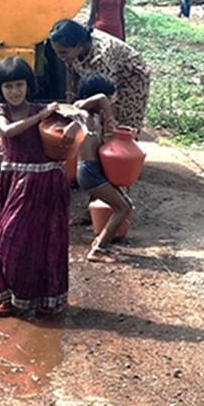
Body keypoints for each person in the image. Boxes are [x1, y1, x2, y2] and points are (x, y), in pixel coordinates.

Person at [0, 56, 70, 317]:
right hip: (16, 183)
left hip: (47, 181)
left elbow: (78, 121)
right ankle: (8, 293)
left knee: (47, 241)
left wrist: (74, 118)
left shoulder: (43, 110)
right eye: (8, 86)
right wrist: (41, 116)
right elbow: (8, 131)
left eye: (19, 85)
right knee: (6, 239)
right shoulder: (0, 111)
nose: (15, 92)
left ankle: (47, 299)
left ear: (29, 85)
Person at [61, 73, 133, 263]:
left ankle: (100, 243)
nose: (110, 101)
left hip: (92, 170)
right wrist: (110, 118)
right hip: (88, 171)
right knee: (124, 208)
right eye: (110, 97)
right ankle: (98, 249)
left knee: (124, 202)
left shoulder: (92, 118)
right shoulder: (80, 111)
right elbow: (101, 99)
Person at [49, 19, 150, 132]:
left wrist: (81, 121)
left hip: (131, 76)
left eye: (63, 53)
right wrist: (70, 104)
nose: (60, 57)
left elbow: (105, 98)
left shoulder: (101, 58)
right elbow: (70, 72)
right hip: (108, 67)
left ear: (79, 46)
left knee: (123, 123)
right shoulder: (72, 45)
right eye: (57, 52)